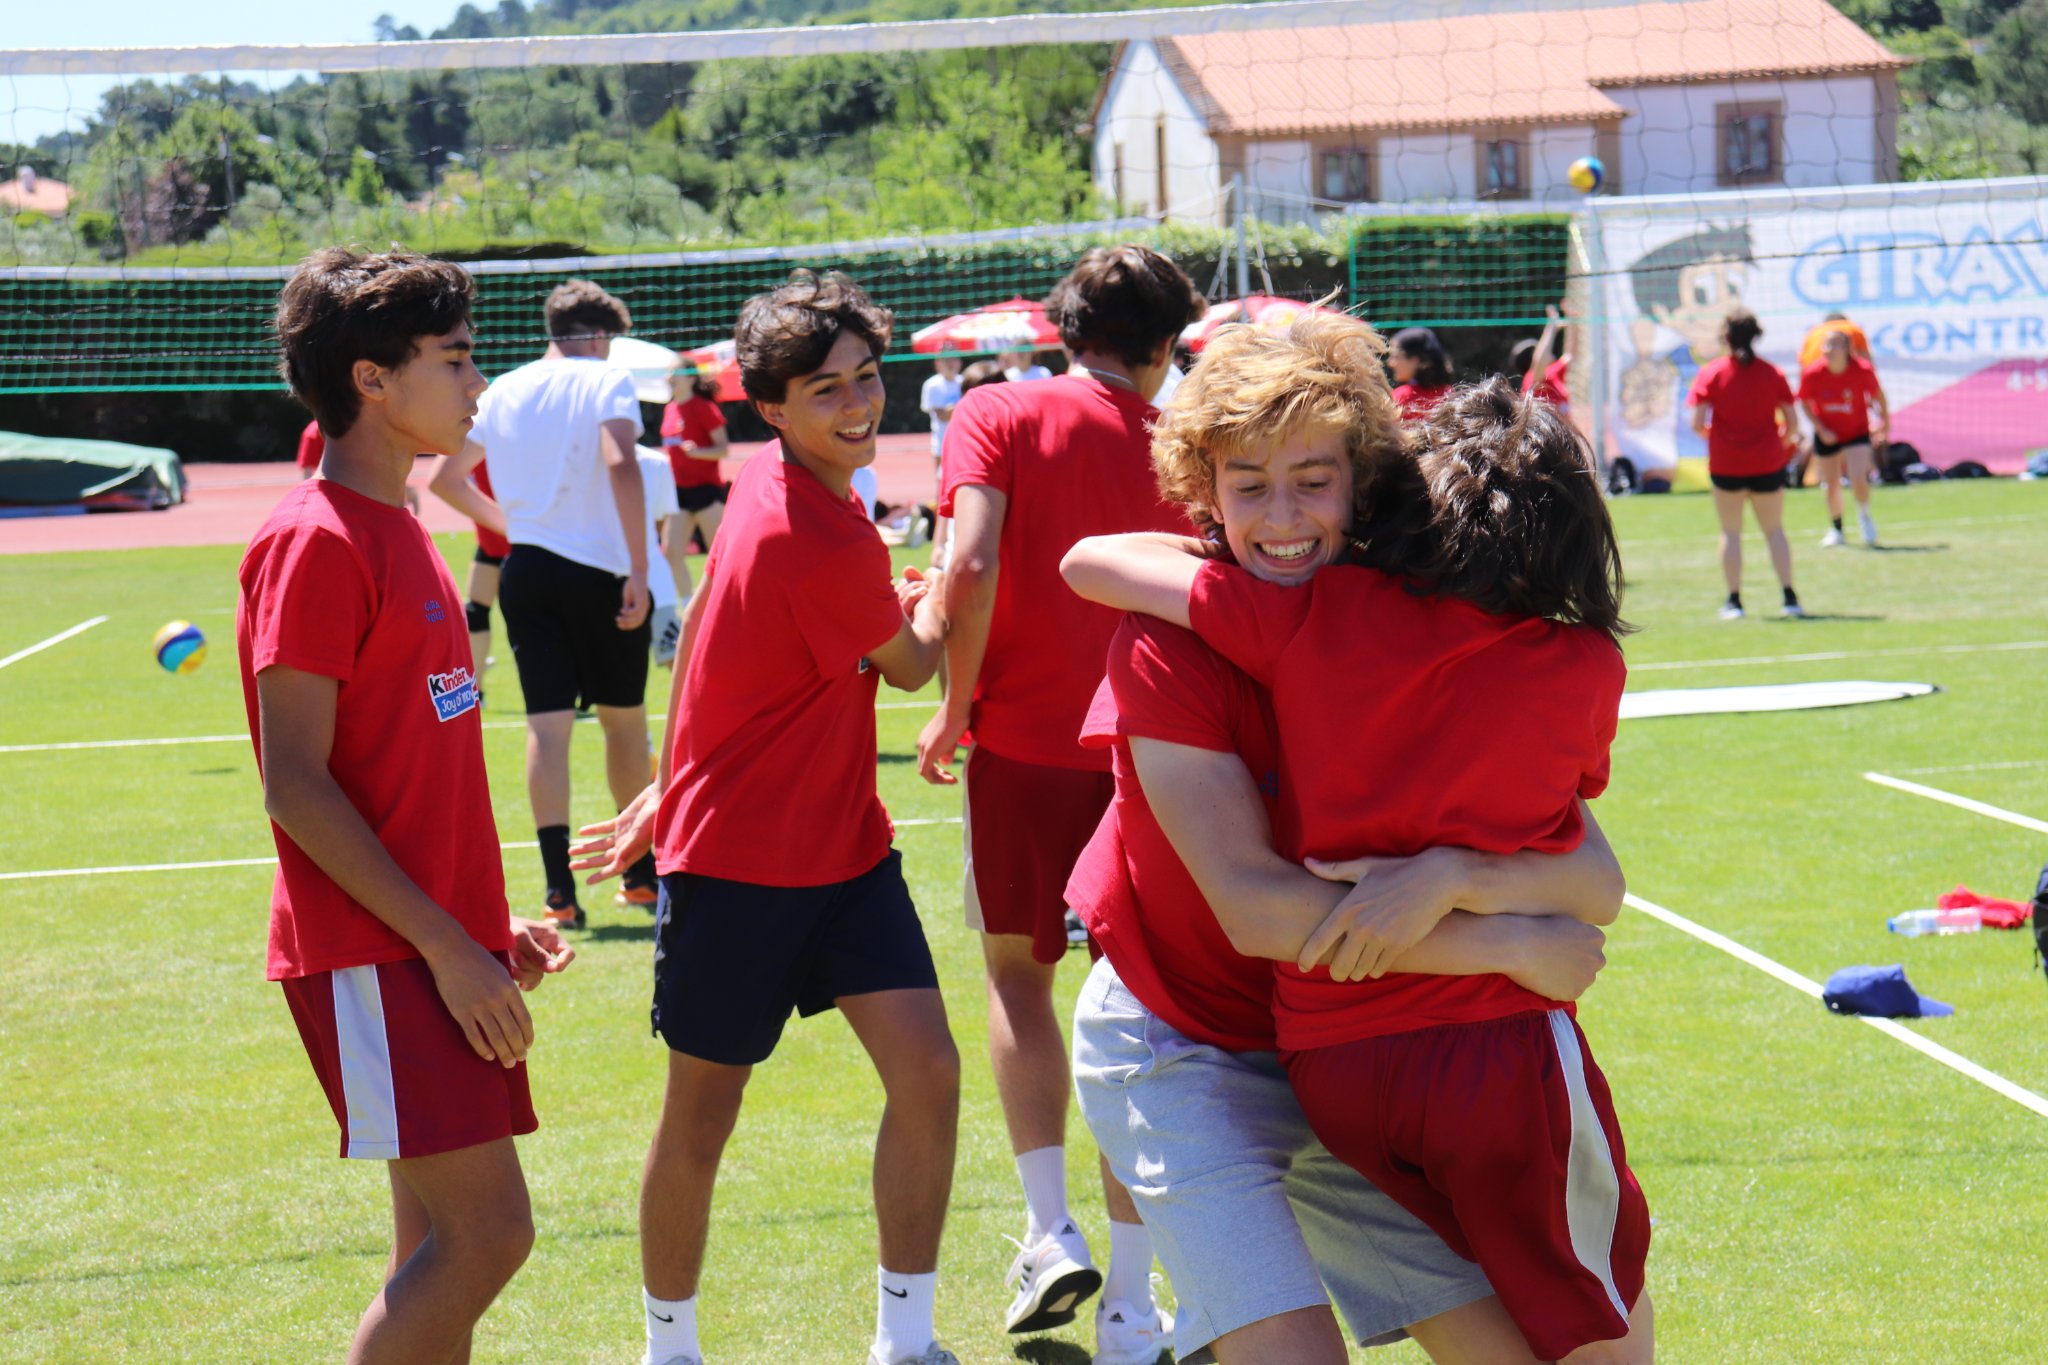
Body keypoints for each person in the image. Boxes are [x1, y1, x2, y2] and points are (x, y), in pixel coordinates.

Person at [1059, 314, 1626, 1365]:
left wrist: (1455, 872)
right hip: (1184, 1040)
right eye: (1248, 484)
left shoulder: (1406, 613)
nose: (1282, 518)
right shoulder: (1170, 638)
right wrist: (1505, 940)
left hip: (1342, 1045)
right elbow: (1258, 910)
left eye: (1312, 481)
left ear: (1364, 480)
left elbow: (1588, 870)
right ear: (1202, 488)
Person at [575, 271, 961, 1365]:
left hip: (847, 858)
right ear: (772, 407)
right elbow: (914, 668)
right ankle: (670, 1351)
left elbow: (706, 629)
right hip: (737, 871)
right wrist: (943, 584)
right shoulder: (814, 529)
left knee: (928, 1074)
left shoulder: (773, 484)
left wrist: (664, 785)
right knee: (699, 1119)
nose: (858, 403)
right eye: (825, 389)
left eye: (866, 377)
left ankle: (905, 1344)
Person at [247, 247, 573, 1365]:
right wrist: (445, 945)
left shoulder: (407, 530)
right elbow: (294, 782)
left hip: (431, 943)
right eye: (457, 359)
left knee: (434, 1247)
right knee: (489, 1236)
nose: (478, 384)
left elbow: (408, 770)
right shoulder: (314, 539)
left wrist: (481, 926)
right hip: (377, 954)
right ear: (373, 380)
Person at [914, 244, 1202, 1358]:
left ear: (1062, 326)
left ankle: (1048, 1231)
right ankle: (1131, 1298)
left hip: (1026, 746)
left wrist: (954, 703)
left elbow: (970, 562)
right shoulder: (1184, 434)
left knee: (1016, 980)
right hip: (1152, 748)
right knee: (1143, 1007)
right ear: (1166, 342)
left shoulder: (997, 408)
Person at [429, 278, 659, 929]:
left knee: (546, 728)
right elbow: (621, 461)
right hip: (602, 572)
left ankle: (560, 890)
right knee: (624, 723)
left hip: (526, 570)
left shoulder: (504, 387)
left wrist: (518, 528)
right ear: (597, 335)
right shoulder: (605, 379)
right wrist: (641, 567)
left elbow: (445, 479)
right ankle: (640, 876)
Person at [1687, 308, 1804, 620]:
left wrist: (1718, 438)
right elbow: (1792, 423)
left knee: (1731, 532)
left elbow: (1697, 423)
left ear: (1725, 337)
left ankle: (1734, 601)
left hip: (1727, 465)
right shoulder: (1772, 373)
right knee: (1774, 530)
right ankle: (1789, 597)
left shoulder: (1711, 373)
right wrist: (1778, 443)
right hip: (1767, 463)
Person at [1799, 327, 1889, 548]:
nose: (1830, 349)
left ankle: (1864, 516)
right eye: (1827, 344)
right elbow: (1805, 403)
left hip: (1856, 432)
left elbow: (1878, 396)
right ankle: (1837, 529)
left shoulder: (1862, 370)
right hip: (1828, 434)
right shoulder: (1813, 373)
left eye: (1835, 344)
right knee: (1831, 485)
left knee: (1858, 477)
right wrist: (1821, 430)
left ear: (1847, 349)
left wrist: (1884, 422)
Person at [662, 362, 731, 578]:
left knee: (721, 556)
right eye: (668, 372)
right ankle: (687, 598)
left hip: (706, 490)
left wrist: (698, 452)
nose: (669, 377)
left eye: (675, 373)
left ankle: (727, 597)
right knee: (671, 553)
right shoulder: (670, 408)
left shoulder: (703, 408)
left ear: (691, 378)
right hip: (679, 491)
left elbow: (723, 449)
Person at [638, 445, 686, 670]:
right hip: (652, 574)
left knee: (676, 657)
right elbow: (659, 522)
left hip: (653, 580)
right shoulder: (656, 462)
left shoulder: (656, 462)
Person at [1511, 304, 1571, 419]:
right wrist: (1551, 327)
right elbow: (1539, 362)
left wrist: (1572, 321)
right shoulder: (1530, 380)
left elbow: (1571, 354)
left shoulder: (1552, 374)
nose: (1547, 350)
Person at [1388, 327, 1455, 421]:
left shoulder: (1401, 397)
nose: (1390, 363)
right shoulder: (1450, 395)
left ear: (1416, 360)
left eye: (1395, 356)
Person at [921, 353, 964, 490]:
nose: (951, 363)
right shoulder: (932, 385)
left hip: (963, 439)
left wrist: (953, 408)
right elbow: (942, 415)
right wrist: (961, 406)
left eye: (954, 359)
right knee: (942, 480)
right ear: (938, 363)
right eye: (946, 360)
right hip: (942, 439)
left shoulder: (965, 381)